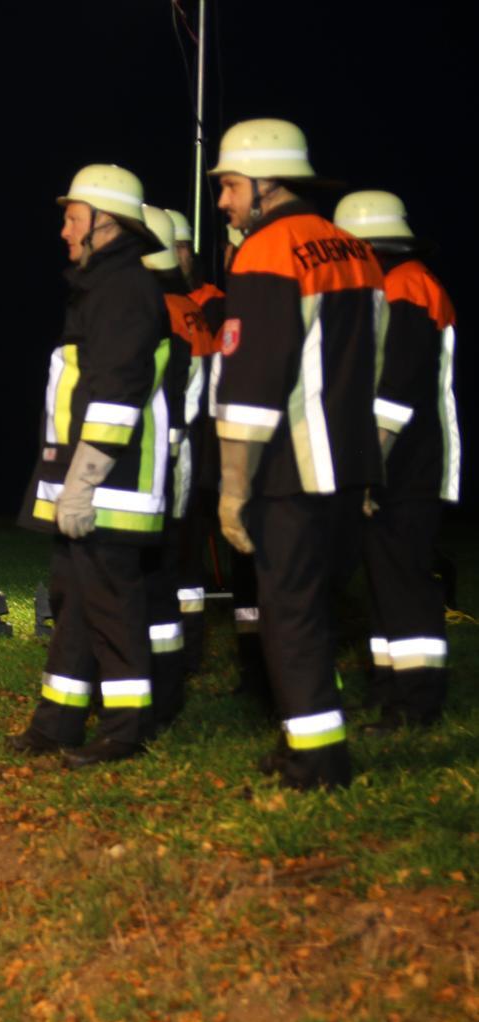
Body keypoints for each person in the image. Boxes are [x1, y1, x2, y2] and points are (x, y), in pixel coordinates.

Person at [209, 119, 386, 789]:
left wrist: (232, 485)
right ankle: (309, 740)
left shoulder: (264, 251)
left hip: (287, 470)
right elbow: (369, 366)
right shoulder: (356, 250)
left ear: (264, 183)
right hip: (346, 467)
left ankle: (316, 759)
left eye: (228, 186)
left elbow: (250, 383)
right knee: (315, 609)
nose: (222, 202)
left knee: (290, 615)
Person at [10, 164, 171, 768]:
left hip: (112, 485)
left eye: (72, 218)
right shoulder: (103, 287)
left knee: (111, 606)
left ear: (105, 223)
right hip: (88, 482)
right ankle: (57, 724)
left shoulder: (124, 289)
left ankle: (128, 732)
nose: (63, 231)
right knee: (74, 604)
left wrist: (83, 481)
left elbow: (116, 394)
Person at [334, 190, 460, 729]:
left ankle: (416, 703)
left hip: (406, 468)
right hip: (397, 466)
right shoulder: (398, 285)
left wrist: (370, 465)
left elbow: (395, 391)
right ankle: (391, 691)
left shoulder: (406, 287)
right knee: (385, 582)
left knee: (404, 585)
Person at [140, 203, 211, 727]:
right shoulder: (180, 306)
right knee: (175, 570)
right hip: (178, 452)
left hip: (172, 454)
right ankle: (178, 658)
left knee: (172, 565)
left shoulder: (183, 308)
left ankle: (180, 659)